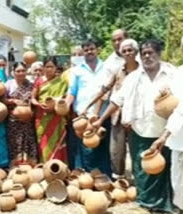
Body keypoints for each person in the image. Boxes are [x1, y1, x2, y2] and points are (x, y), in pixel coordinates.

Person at [92, 40, 175, 213]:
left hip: (165, 132)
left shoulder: (171, 74)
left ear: (159, 54)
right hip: (140, 130)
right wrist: (100, 120)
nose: (147, 56)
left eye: (151, 52)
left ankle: (164, 203)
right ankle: (146, 202)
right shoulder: (133, 78)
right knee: (142, 169)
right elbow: (116, 100)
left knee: (165, 169)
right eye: (144, 53)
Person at [82, 39, 140, 179]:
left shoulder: (143, 70)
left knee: (136, 150)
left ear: (136, 52)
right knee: (116, 150)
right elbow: (104, 91)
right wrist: (89, 106)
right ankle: (119, 181)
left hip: (137, 116)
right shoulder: (118, 71)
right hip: (117, 115)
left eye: (129, 50)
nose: (127, 53)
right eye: (124, 51)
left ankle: (139, 181)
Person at [66, 39, 111, 175]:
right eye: (86, 50)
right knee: (85, 150)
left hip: (102, 116)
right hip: (83, 117)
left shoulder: (107, 68)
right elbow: (72, 92)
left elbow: (107, 91)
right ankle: (86, 182)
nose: (89, 52)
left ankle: (103, 180)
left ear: (98, 50)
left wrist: (98, 114)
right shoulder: (77, 71)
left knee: (102, 150)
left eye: (91, 49)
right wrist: (66, 104)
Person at [149, 71, 183, 212]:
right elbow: (176, 108)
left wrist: (164, 136)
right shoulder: (178, 73)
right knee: (178, 183)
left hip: (175, 131)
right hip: (178, 138)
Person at [31, 56, 68, 162]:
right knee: (43, 142)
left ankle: (58, 168)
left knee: (57, 142)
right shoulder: (39, 81)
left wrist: (56, 103)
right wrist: (38, 105)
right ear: (43, 68)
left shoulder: (61, 82)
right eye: (47, 67)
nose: (49, 69)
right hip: (42, 117)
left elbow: (65, 98)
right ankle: (45, 167)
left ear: (56, 68)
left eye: (51, 67)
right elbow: (33, 98)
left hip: (57, 117)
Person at [4, 62, 38, 166]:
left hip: (28, 120)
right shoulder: (8, 84)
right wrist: (13, 101)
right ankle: (15, 166)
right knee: (15, 142)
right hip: (13, 120)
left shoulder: (31, 85)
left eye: (23, 71)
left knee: (28, 142)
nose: (21, 73)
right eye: (18, 71)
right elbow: (2, 100)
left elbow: (34, 99)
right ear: (13, 72)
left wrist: (31, 112)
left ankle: (29, 165)